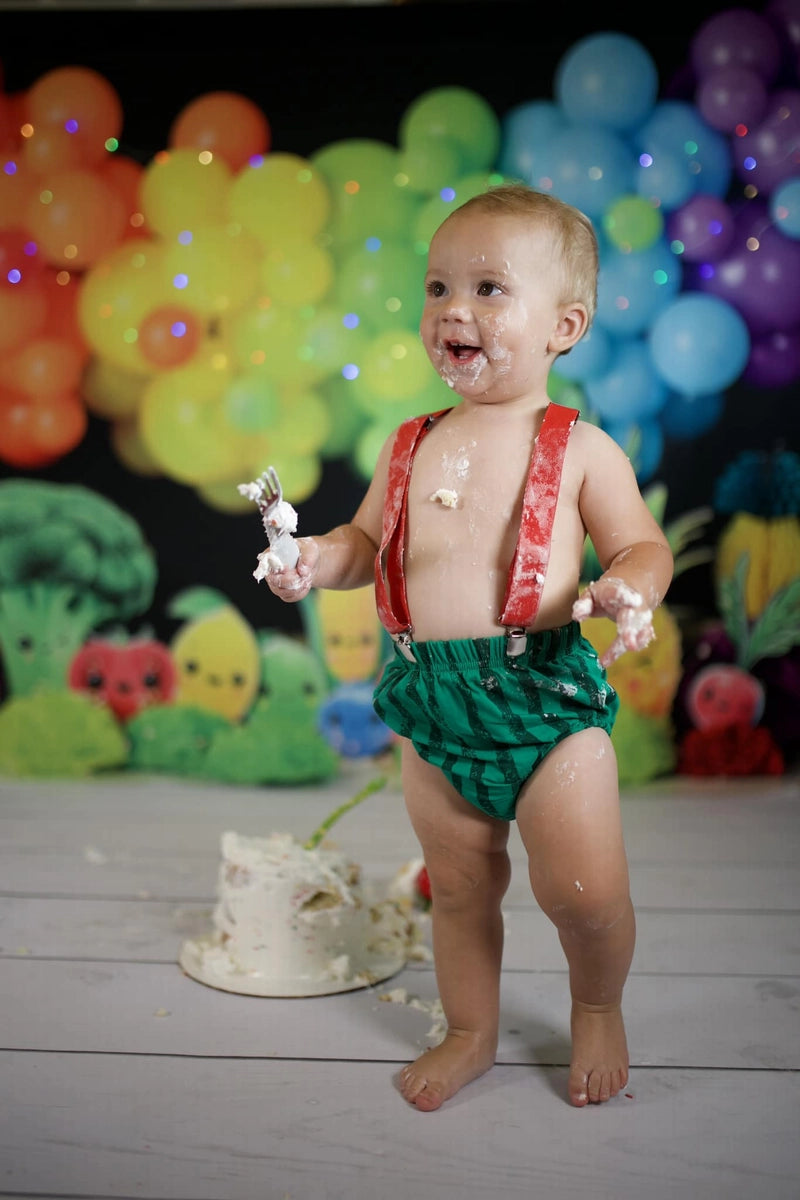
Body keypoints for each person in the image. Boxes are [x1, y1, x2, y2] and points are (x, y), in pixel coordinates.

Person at [265, 183, 674, 1110]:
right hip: (433, 698)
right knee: (457, 886)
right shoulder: (409, 445)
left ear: (564, 326)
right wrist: (312, 560)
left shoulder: (580, 449)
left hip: (541, 698)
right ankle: (472, 1030)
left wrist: (628, 588)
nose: (455, 308)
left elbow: (644, 545)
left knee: (582, 889)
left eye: (490, 288)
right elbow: (365, 549)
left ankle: (597, 1003)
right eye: (439, 286)